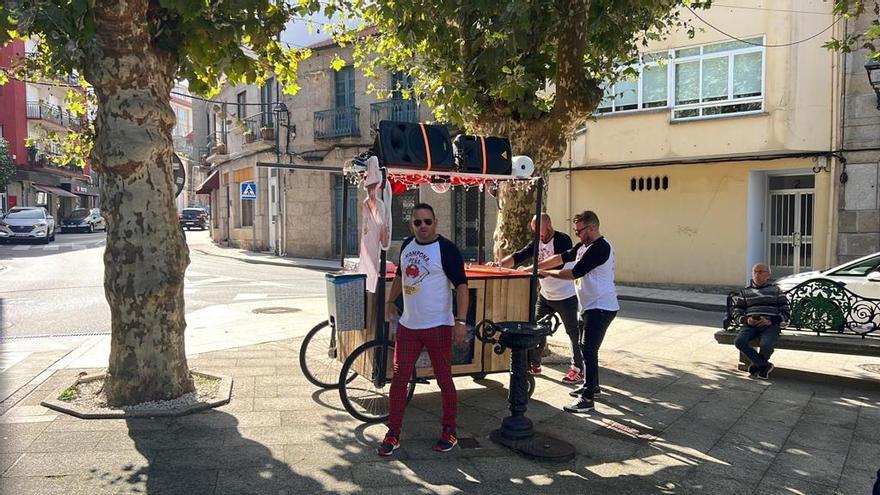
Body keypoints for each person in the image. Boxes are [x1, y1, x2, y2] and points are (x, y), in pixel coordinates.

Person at [379, 203, 469, 456]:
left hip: (438, 325)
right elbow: (400, 276)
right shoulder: (408, 244)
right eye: (417, 222)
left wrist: (460, 322)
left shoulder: (446, 249)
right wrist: (389, 302)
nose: (423, 227)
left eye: (427, 221)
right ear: (411, 225)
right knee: (398, 379)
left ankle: (449, 430)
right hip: (409, 325)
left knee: (444, 379)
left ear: (435, 222)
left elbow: (461, 286)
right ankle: (393, 432)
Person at [537, 210, 619, 413]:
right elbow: (562, 257)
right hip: (590, 305)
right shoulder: (585, 245)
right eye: (576, 231)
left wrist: (545, 273)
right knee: (588, 349)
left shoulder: (600, 248)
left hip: (601, 306)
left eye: (580, 231)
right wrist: (537, 266)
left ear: (592, 228)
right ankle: (593, 386)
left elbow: (574, 272)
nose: (577, 235)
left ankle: (588, 399)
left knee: (588, 349)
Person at [493, 213, 582, 382]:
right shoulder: (537, 241)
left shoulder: (562, 239)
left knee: (572, 333)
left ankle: (577, 368)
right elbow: (519, 255)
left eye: (538, 229)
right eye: (533, 230)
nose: (536, 234)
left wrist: (531, 269)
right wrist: (499, 266)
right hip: (546, 295)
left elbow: (557, 263)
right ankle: (534, 363)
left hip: (565, 296)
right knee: (535, 329)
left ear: (548, 225)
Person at [731, 263, 790, 380]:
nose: (757, 274)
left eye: (761, 272)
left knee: (766, 344)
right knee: (739, 341)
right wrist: (747, 320)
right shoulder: (745, 292)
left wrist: (770, 321)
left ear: (768, 275)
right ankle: (764, 365)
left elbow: (786, 313)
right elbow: (736, 312)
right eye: (755, 272)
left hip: (770, 325)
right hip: (750, 325)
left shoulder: (776, 291)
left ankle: (757, 365)